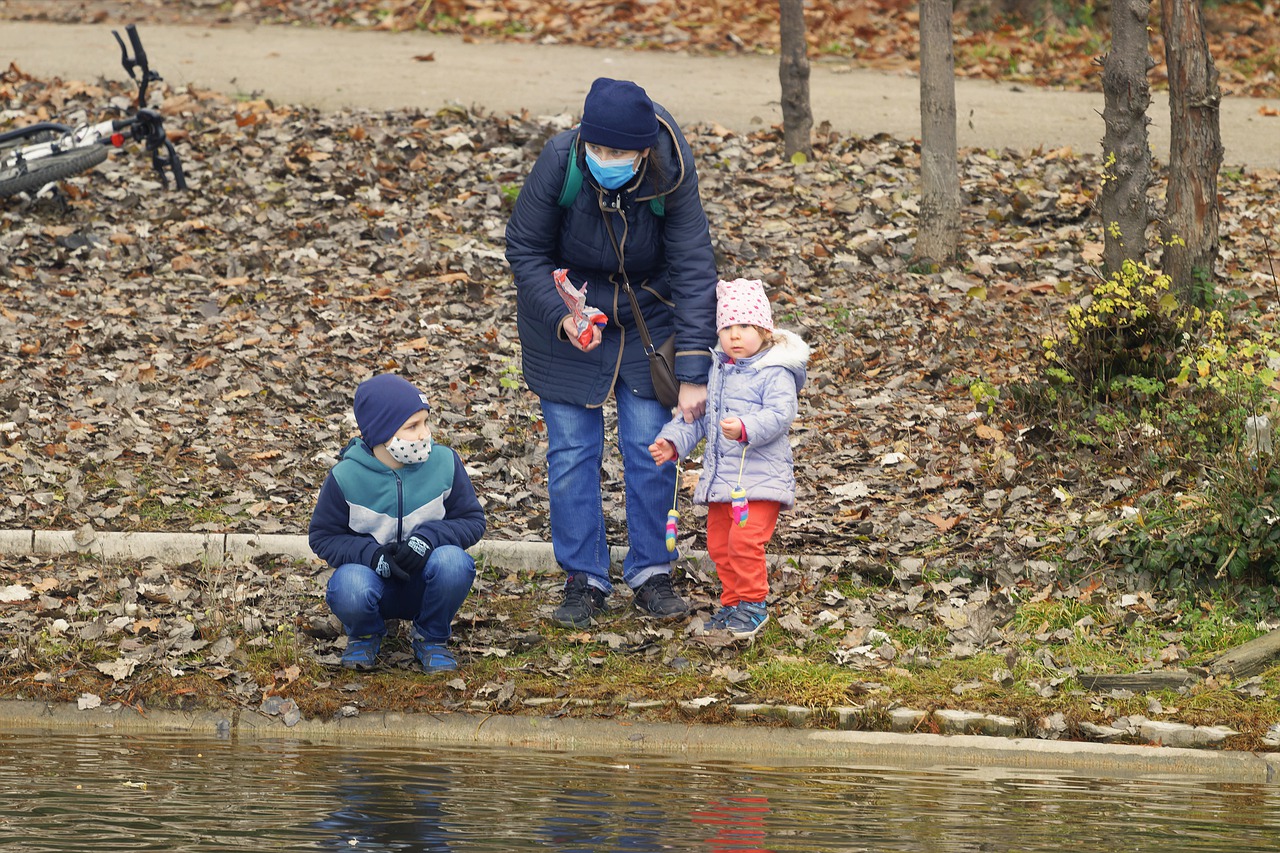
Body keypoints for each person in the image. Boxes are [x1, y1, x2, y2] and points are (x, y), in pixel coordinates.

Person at [505, 76, 719, 628]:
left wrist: (694, 370)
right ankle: (584, 578)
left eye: (619, 152)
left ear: (645, 150)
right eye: (596, 149)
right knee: (572, 454)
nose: (605, 159)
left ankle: (653, 570)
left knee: (652, 449)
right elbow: (525, 247)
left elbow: (694, 268)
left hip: (650, 316)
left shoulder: (671, 172)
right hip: (571, 313)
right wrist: (563, 316)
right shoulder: (561, 159)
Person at [648, 278, 809, 639]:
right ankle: (732, 602)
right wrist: (674, 442)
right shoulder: (719, 370)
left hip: (761, 479)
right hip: (725, 481)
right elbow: (700, 418)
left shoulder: (775, 370)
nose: (735, 335)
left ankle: (753, 605)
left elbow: (781, 414)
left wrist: (747, 426)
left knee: (744, 542)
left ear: (765, 330)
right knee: (720, 544)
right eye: (727, 327)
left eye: (745, 327)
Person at [309, 373, 486, 672]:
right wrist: (372, 554)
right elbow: (323, 537)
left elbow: (472, 520)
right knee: (348, 585)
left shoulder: (445, 463)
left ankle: (431, 636)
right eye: (412, 427)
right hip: (373, 583)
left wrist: (429, 537)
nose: (424, 434)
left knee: (455, 563)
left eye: (426, 422)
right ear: (380, 433)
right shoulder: (345, 478)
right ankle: (366, 633)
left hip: (429, 582)